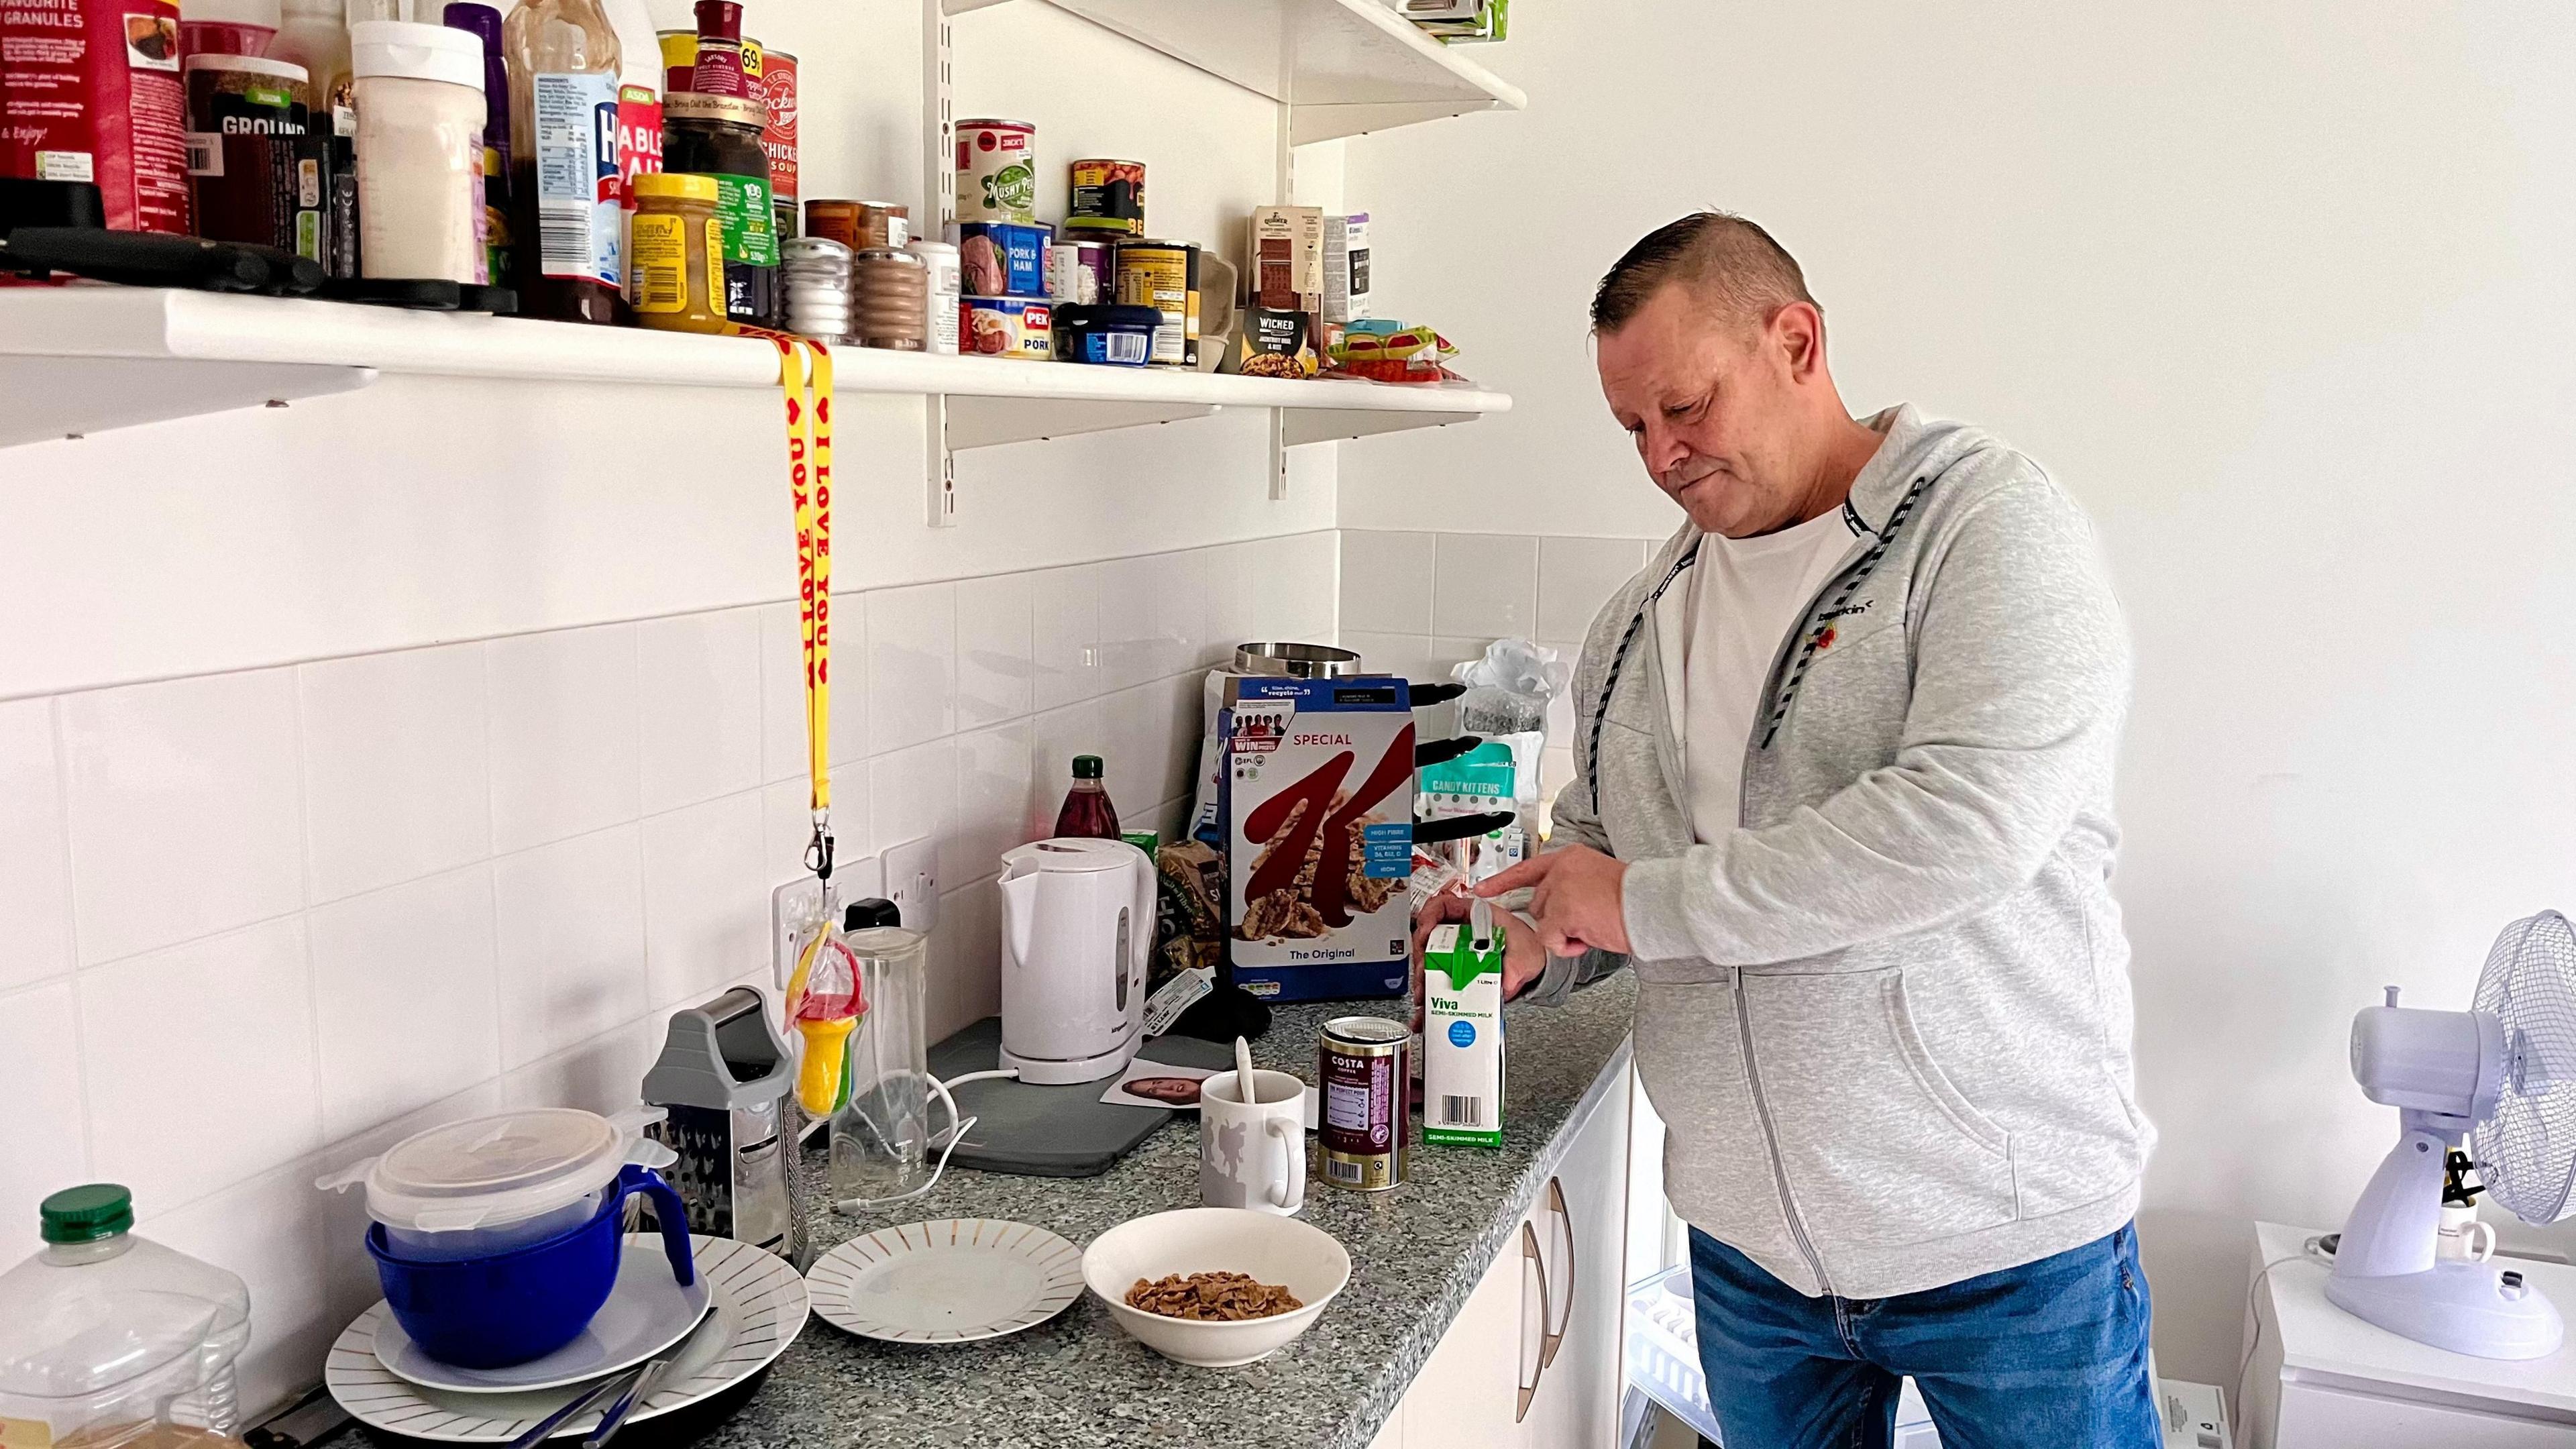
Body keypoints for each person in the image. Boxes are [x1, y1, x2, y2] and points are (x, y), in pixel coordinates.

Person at [1417, 212, 2157, 1447]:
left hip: (2004, 1242)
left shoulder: (1986, 531)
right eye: (1633, 428)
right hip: (1753, 1256)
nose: (1661, 453)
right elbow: (1603, 854)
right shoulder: (1640, 618)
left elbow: (1966, 828)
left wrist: (1637, 904)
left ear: (1796, 342)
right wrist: (1540, 943)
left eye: (1686, 406)